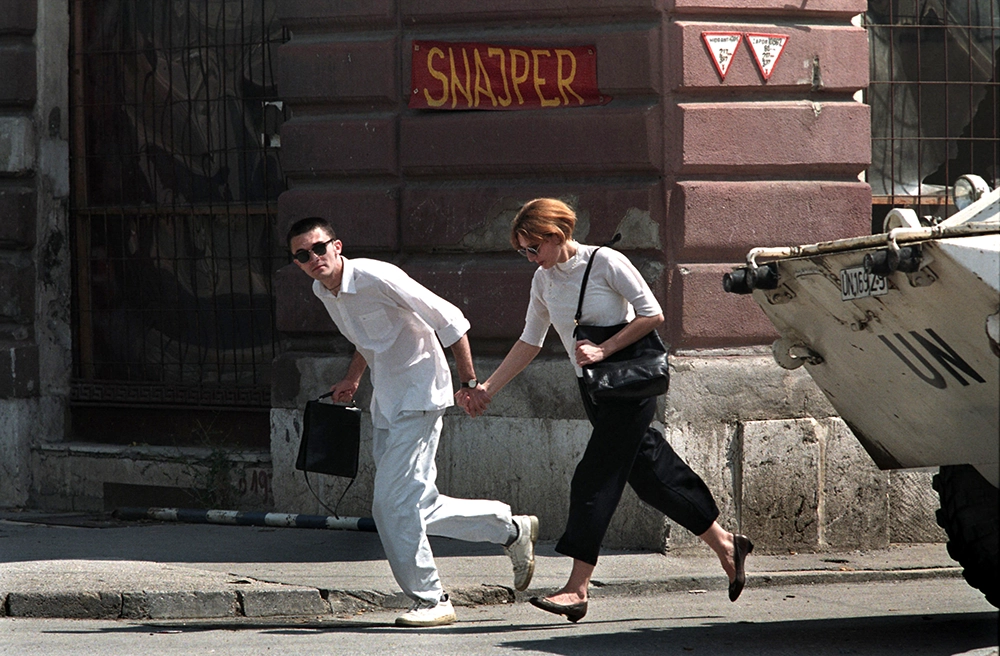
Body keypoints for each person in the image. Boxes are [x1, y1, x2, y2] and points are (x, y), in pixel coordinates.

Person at [458, 198, 753, 623]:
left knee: (594, 478)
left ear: (556, 236)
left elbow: (652, 314)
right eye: (523, 251)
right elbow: (530, 341)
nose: (530, 258)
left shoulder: (605, 262)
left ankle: (577, 589)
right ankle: (727, 544)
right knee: (652, 475)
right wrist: (488, 388)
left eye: (533, 248)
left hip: (628, 386)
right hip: (594, 390)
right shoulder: (543, 280)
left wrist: (603, 349)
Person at [287, 217, 539, 627]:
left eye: (318, 248)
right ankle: (509, 529)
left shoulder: (376, 276)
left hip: (420, 395)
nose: (313, 258)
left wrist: (469, 384)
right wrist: (353, 378)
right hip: (387, 400)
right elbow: (367, 339)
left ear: (337, 246)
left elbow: (451, 320)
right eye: (302, 255)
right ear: (297, 264)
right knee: (418, 504)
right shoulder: (323, 290)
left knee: (390, 504)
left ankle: (432, 599)